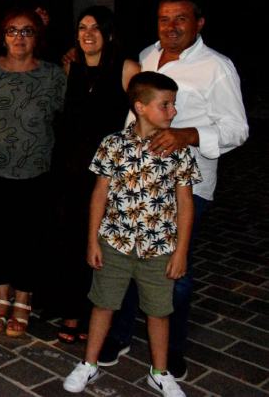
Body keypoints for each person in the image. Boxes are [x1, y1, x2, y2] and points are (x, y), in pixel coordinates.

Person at [97, 0, 248, 379]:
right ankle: (121, 334)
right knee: (126, 260)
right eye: (164, 19)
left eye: (181, 19)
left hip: (185, 187)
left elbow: (237, 130)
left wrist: (189, 135)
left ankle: (173, 350)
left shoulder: (217, 67)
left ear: (199, 23)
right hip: (135, 184)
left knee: (172, 271)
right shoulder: (148, 55)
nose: (171, 26)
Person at [63, 72, 199, 397]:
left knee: (159, 310)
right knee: (103, 304)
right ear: (140, 107)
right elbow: (99, 194)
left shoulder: (178, 151)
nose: (173, 112)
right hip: (115, 244)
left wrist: (181, 252)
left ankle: (159, 372)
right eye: (165, 105)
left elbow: (185, 202)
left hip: (159, 248)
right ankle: (89, 363)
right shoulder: (113, 144)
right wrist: (92, 239)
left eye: (173, 105)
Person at [0, 7, 65, 337]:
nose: (19, 37)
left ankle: (23, 300)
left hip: (36, 172)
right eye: (12, 30)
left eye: (27, 31)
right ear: (2, 35)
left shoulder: (53, 74)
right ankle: (0, 298)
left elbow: (67, 115)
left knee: (30, 237)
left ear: (37, 37)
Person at [49, 6, 140, 343]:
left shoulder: (126, 68)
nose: (88, 34)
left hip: (105, 172)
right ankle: (70, 311)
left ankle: (95, 314)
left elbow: (139, 120)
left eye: (96, 28)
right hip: (69, 168)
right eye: (82, 27)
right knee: (69, 239)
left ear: (110, 33)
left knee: (101, 244)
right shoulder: (69, 65)